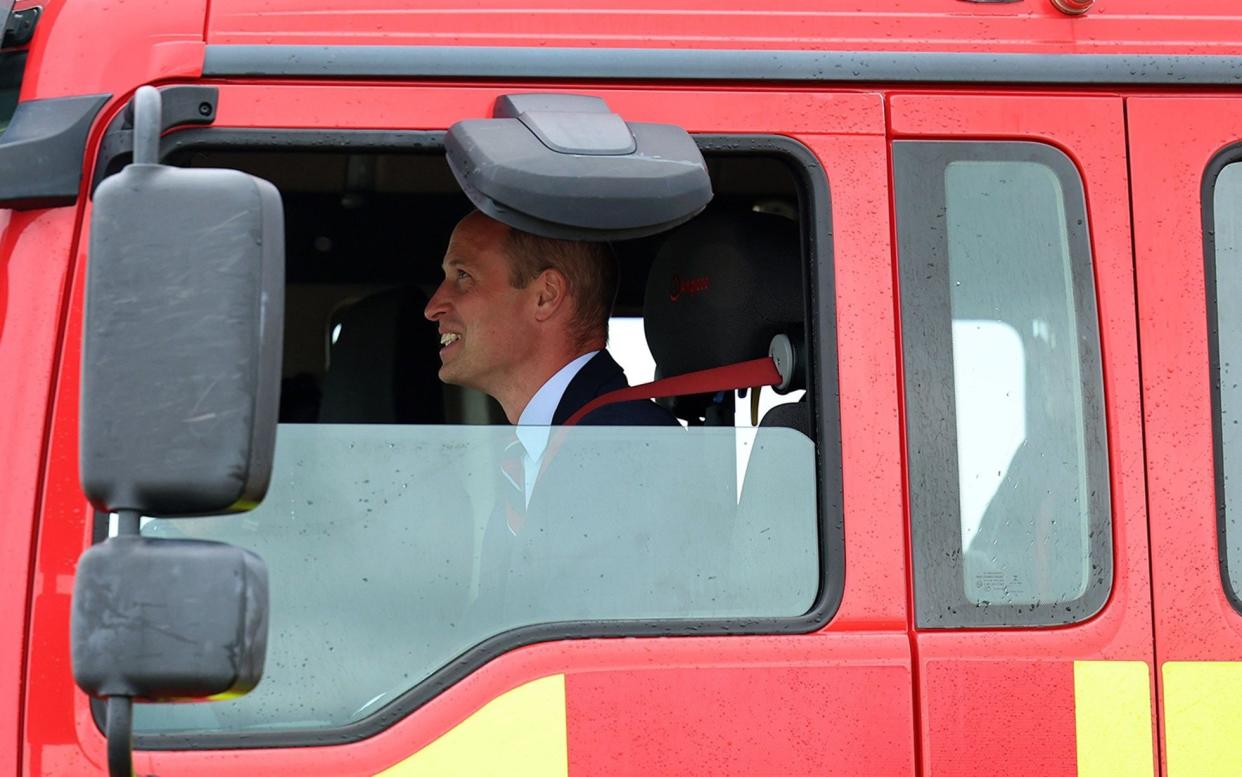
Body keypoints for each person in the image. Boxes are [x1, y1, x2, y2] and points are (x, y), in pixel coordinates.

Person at [423, 210, 678, 430]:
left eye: (464, 276)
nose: (432, 308)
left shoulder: (620, 443)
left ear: (546, 296)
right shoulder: (601, 434)